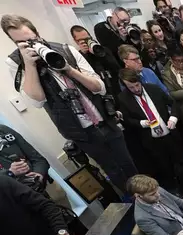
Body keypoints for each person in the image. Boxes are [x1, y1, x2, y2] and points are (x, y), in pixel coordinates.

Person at [3, 14, 137, 193]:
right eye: (22, 43)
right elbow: (37, 101)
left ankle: (149, 196)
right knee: (112, 170)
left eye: (32, 40)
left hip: (104, 117)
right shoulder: (16, 62)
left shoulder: (64, 49)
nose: (30, 45)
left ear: (37, 34)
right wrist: (29, 65)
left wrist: (68, 69)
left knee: (128, 163)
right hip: (80, 131)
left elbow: (100, 88)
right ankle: (136, 202)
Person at [117, 69, 183, 194]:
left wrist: (173, 118)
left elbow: (173, 103)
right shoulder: (123, 98)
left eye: (137, 85)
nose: (136, 89)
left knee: (179, 163)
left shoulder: (153, 89)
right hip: (151, 140)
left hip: (169, 133)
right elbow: (126, 120)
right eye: (131, 87)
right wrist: (142, 123)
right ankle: (172, 191)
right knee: (164, 167)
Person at [69, 25, 121, 101]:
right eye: (81, 40)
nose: (86, 42)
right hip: (101, 94)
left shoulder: (103, 50)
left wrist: (100, 54)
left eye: (87, 39)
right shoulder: (78, 57)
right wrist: (84, 54)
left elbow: (117, 68)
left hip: (116, 87)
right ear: (76, 41)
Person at [0, 124, 50, 191]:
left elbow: (39, 160)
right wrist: (10, 173)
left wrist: (39, 175)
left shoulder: (3, 130)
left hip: (35, 191)